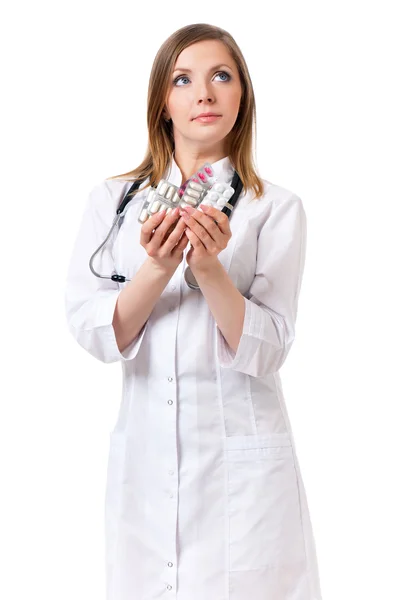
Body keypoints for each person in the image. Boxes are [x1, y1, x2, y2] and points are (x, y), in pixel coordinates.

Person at [64, 22, 322, 600]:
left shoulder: (274, 209)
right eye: (184, 79)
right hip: (145, 460)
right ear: (163, 100)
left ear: (241, 97)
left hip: (244, 475)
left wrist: (208, 270)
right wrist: (157, 269)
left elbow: (270, 347)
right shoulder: (113, 203)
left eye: (221, 77)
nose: (203, 93)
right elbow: (94, 330)